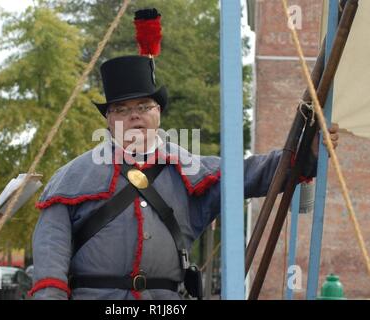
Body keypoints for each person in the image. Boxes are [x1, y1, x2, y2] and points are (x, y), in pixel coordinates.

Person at [30, 55, 339, 300]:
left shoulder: (191, 168)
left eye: (143, 106)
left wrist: (308, 151)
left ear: (158, 113)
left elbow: (257, 173)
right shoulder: (69, 178)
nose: (134, 115)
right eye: (122, 109)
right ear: (109, 120)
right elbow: (50, 253)